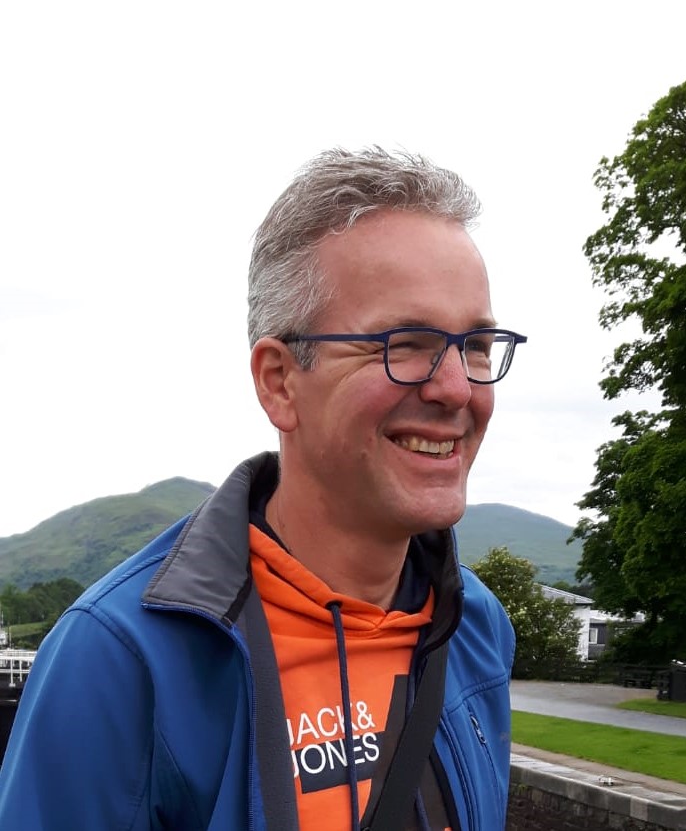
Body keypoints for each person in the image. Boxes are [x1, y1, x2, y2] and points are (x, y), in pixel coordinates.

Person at [0, 147, 527, 830]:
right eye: (405, 342)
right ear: (279, 381)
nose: (457, 388)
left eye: (477, 345)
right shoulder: (121, 662)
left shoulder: (476, 624)